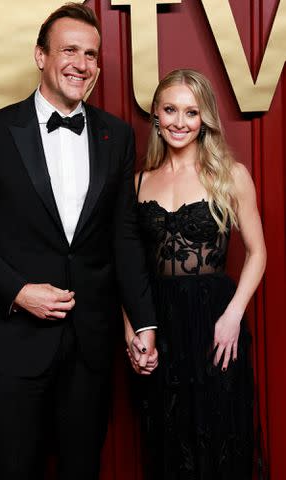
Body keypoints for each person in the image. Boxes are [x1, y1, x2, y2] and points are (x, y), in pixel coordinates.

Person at [0, 3, 157, 479]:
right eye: (70, 50)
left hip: (91, 343)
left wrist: (143, 323)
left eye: (92, 55)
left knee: (83, 469)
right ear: (40, 56)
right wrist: (19, 291)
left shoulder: (116, 136)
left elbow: (123, 235)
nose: (82, 63)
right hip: (17, 341)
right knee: (17, 469)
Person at [124, 69, 266, 479]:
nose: (179, 122)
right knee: (168, 442)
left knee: (221, 438)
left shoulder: (230, 176)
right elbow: (129, 269)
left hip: (215, 321)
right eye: (170, 110)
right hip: (159, 322)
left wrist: (234, 315)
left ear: (205, 119)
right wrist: (132, 331)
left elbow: (258, 252)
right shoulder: (137, 184)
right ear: (155, 114)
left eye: (191, 112)